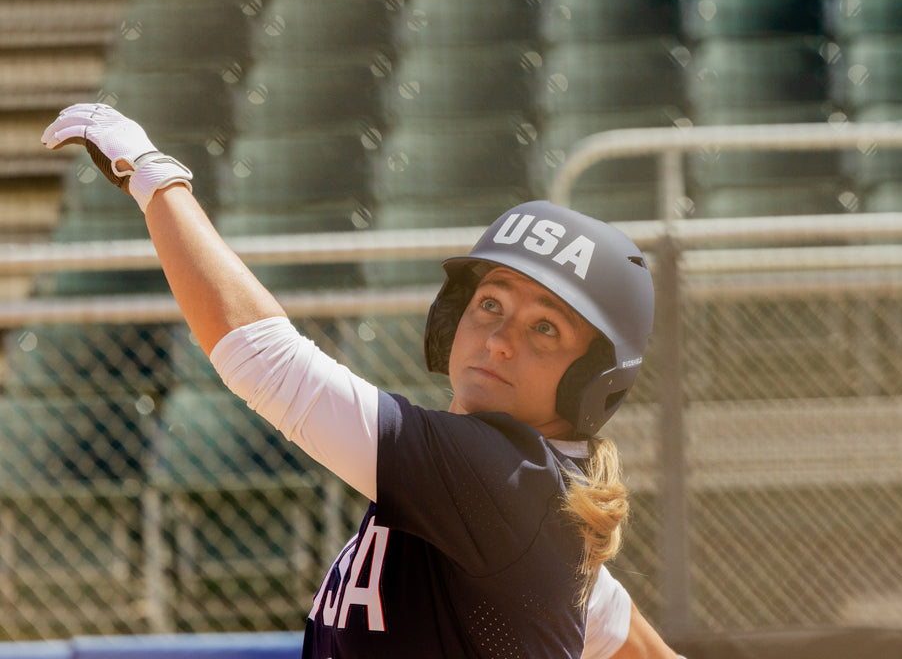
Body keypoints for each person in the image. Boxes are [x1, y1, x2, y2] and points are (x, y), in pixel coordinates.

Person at [42, 103, 682, 659]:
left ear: (595, 378)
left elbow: (265, 360)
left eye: (546, 328)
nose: (500, 338)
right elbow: (607, 619)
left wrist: (155, 178)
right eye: (491, 303)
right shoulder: (522, 503)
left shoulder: (503, 478)